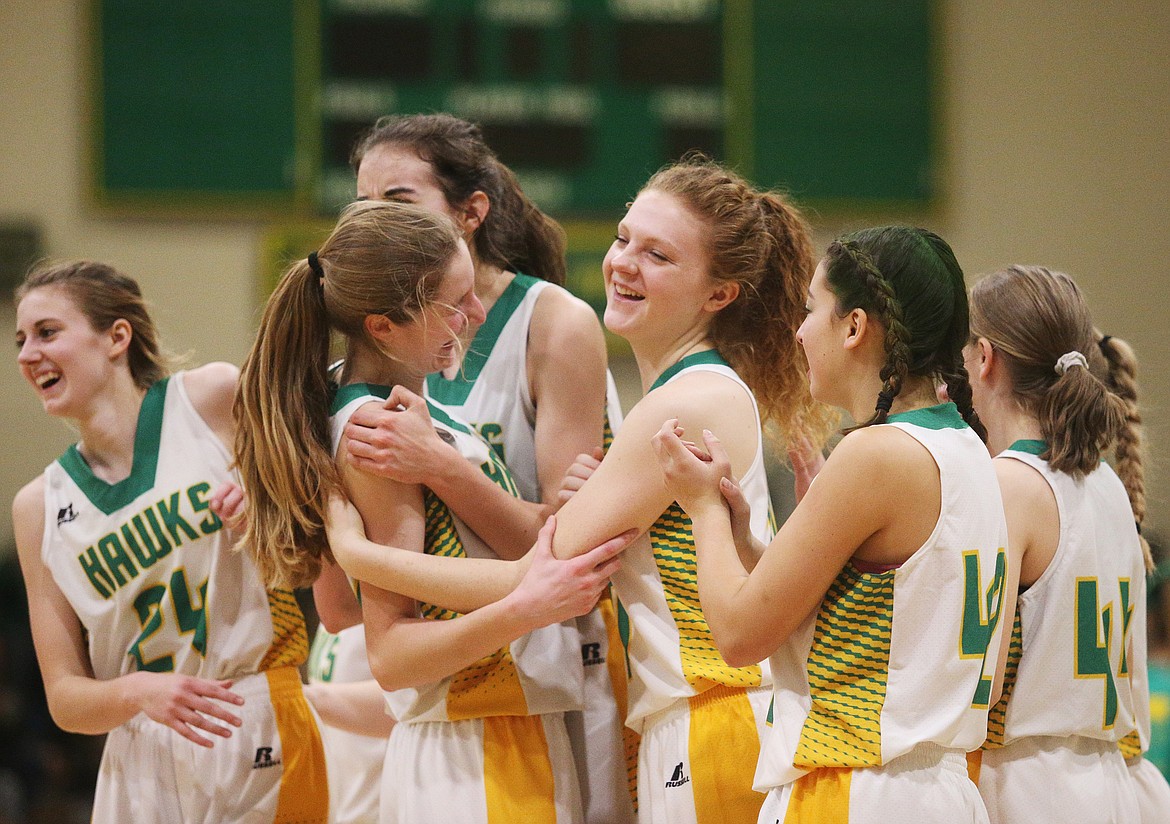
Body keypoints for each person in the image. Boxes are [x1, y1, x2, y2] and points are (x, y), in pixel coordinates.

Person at [326, 157, 833, 824]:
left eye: (658, 255)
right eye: (624, 239)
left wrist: (356, 550)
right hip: (703, 719)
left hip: (713, 718)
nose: (624, 263)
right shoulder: (681, 395)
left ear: (718, 295)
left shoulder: (680, 407)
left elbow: (543, 565)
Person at [233, 199, 630, 823]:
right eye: (455, 304)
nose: (475, 316)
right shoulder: (376, 432)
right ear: (385, 325)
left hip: (497, 731)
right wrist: (520, 605)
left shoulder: (409, 416)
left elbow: (339, 605)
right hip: (473, 741)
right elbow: (389, 653)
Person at [652, 226, 1010, 822]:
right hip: (936, 791)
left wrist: (704, 510)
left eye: (811, 309)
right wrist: (744, 541)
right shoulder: (969, 448)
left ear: (854, 327)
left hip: (858, 789)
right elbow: (872, 626)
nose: (797, 331)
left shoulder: (875, 455)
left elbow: (738, 637)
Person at [332, 112, 632, 824]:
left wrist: (440, 468)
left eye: (396, 200)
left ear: (471, 213)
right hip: (460, 678)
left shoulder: (552, 321)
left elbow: (565, 540)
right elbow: (350, 611)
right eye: (361, 201)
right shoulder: (367, 378)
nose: (373, 217)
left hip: (557, 661)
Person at [11, 261, 329, 823]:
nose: (26, 354)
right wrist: (136, 692)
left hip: (254, 709)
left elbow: (315, 554)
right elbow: (65, 699)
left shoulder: (212, 398)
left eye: (47, 332)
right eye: (20, 340)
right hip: (140, 743)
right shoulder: (37, 506)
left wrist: (266, 519)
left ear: (116, 337)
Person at [964, 265, 1170, 822]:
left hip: (1028, 786)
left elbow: (975, 675)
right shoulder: (1105, 482)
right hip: (1118, 780)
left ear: (984, 358)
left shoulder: (1009, 483)